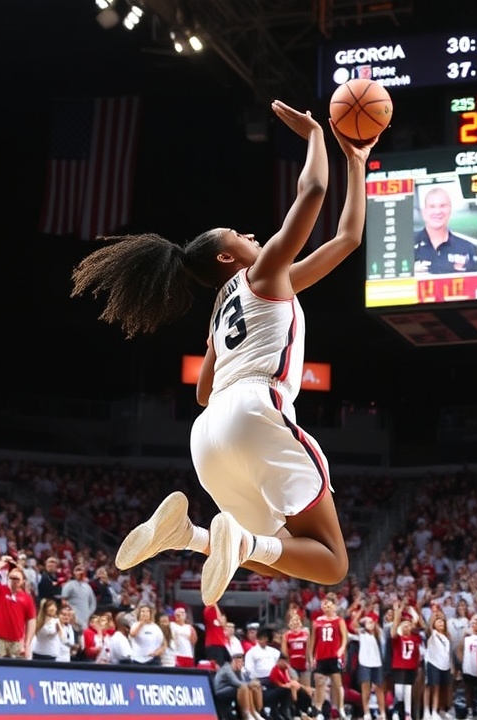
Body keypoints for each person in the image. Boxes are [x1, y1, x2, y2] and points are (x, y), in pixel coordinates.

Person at [77, 101, 377, 608]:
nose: (252, 235)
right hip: (255, 409)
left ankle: (189, 535)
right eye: (240, 235)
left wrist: (357, 161)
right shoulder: (264, 274)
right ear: (226, 256)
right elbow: (312, 192)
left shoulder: (223, 308)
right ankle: (230, 538)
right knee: (332, 562)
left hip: (210, 433)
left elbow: (346, 240)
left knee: (277, 552)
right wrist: (315, 137)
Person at [412, 186, 477, 274]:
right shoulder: (407, 246)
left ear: (450, 210)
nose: (438, 212)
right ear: (423, 212)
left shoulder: (467, 248)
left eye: (443, 206)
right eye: (432, 206)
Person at [0, 556, 37, 659]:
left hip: (17, 642)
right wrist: (1, 563)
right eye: (12, 577)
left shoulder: (27, 598)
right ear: (7, 577)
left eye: (17, 578)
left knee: (17, 668)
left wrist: (27, 643)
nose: (14, 580)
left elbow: (31, 621)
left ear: (23, 581)